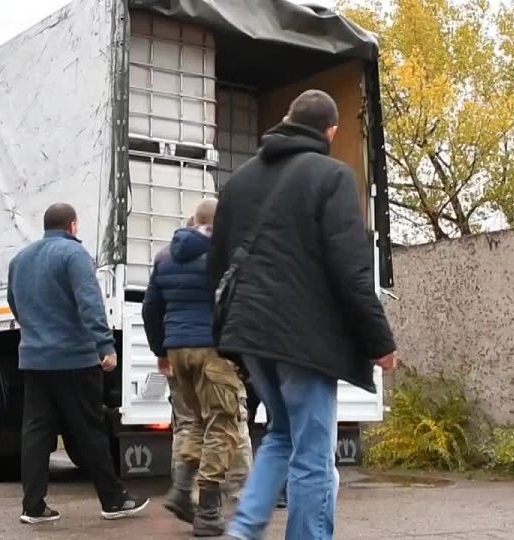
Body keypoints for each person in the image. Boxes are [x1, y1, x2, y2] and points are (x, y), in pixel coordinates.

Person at [208, 90, 398, 539]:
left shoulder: (237, 183)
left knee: (281, 435)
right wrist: (380, 341)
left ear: (287, 120)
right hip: (302, 339)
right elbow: (351, 270)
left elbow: (215, 268)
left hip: (249, 332)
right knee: (314, 456)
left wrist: (229, 335)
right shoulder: (332, 176)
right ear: (329, 131)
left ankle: (243, 532)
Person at [8, 203, 149, 524]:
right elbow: (89, 302)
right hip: (74, 359)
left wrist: (35, 333)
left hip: (34, 359)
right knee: (89, 429)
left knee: (36, 432)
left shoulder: (20, 260)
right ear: (72, 226)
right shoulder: (74, 255)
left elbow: (13, 302)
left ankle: (33, 506)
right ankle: (113, 501)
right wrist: (105, 345)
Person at [142, 199, 248, 536]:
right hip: (213, 352)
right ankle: (208, 512)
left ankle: (181, 487)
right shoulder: (223, 256)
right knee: (223, 426)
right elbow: (238, 305)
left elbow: (150, 308)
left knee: (199, 423)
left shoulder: (165, 257)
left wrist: (161, 350)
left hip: (178, 351)